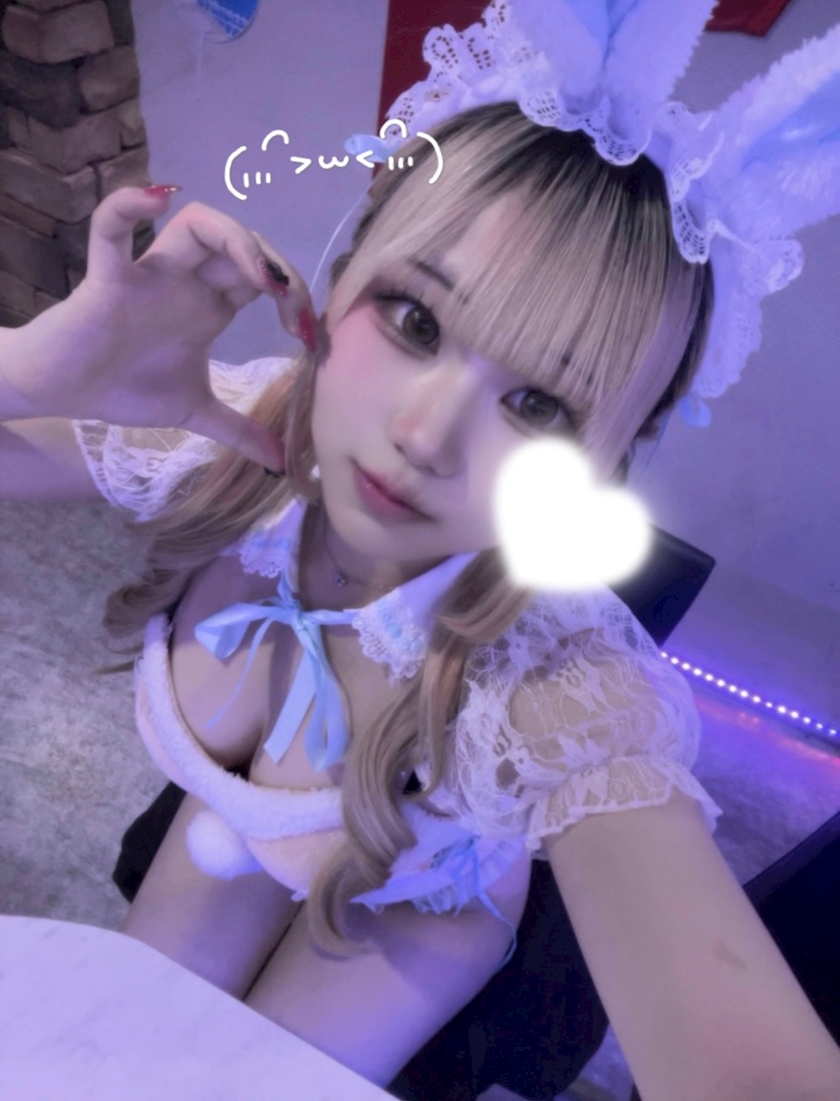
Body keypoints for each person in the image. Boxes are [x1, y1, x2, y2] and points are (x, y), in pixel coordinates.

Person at [3, 7, 840, 1101]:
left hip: (415, 907)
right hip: (243, 821)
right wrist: (30, 370)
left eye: (539, 404)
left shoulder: (557, 683)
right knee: (114, 1050)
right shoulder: (240, 434)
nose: (425, 435)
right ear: (342, 273)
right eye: (415, 320)